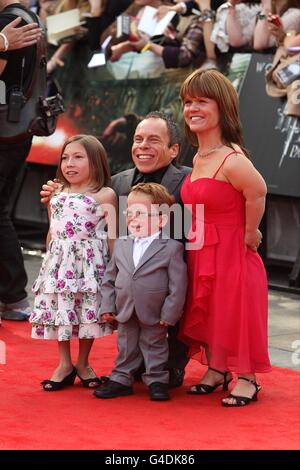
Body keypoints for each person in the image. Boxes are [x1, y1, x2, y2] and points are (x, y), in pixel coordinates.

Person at [40, 111, 192, 388]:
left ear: (174, 150)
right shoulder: (118, 184)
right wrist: (56, 192)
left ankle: (170, 364)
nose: (143, 146)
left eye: (153, 140)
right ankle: (129, 364)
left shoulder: (189, 182)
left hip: (171, 278)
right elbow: (88, 211)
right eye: (138, 139)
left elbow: (195, 235)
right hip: (127, 280)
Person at [179, 69, 271, 407]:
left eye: (202, 101)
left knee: (235, 310)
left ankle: (247, 377)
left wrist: (250, 232)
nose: (193, 108)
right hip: (204, 247)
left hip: (232, 249)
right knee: (213, 309)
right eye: (188, 102)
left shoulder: (231, 158)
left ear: (222, 107)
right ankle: (217, 368)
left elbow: (258, 191)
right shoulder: (200, 157)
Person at [30, 134, 117, 391]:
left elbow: (113, 235)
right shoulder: (57, 194)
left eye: (78, 157)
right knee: (63, 311)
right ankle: (64, 363)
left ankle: (83, 362)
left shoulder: (105, 194)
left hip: (90, 265)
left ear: (96, 162)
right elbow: (52, 230)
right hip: (60, 265)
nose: (70, 163)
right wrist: (49, 263)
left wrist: (116, 270)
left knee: (86, 311)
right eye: (65, 157)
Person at [94, 182, 187, 401]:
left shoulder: (171, 247)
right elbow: (109, 278)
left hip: (155, 312)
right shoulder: (122, 244)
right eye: (130, 213)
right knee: (126, 345)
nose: (133, 218)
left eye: (141, 214)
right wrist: (107, 306)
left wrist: (170, 313)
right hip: (124, 309)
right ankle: (121, 378)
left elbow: (178, 285)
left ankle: (156, 380)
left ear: (161, 219)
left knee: (155, 345)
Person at [0, 0, 43, 322]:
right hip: (17, 129)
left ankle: (13, 295)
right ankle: (12, 295)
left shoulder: (9, 21)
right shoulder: (27, 16)